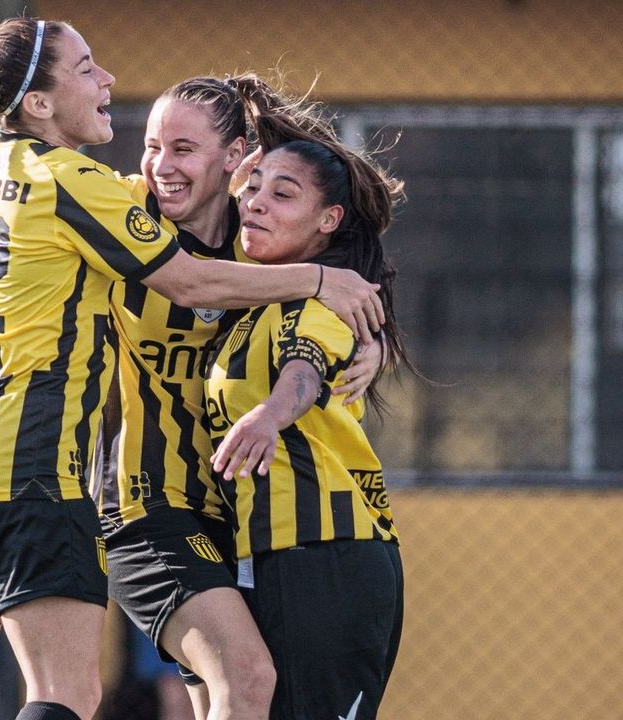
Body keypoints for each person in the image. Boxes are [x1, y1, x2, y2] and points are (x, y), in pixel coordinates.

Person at [0, 17, 385, 720]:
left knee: (224, 695)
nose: (159, 165)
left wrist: (366, 335)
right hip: (138, 504)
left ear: (237, 159)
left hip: (231, 512)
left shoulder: (260, 243)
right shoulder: (116, 203)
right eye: (152, 146)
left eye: (183, 148)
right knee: (229, 678)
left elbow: (336, 290)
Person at [204, 129, 413, 720]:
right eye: (253, 187)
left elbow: (305, 368)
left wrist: (270, 414)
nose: (256, 203)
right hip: (268, 551)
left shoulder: (326, 299)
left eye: (283, 194)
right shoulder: (255, 293)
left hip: (327, 553)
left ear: (328, 220)